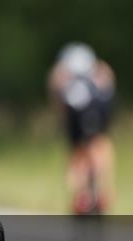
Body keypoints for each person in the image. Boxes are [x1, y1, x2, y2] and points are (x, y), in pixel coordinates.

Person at [47, 43, 116, 214]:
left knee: (76, 152)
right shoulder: (99, 74)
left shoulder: (63, 77)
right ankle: (102, 189)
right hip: (98, 112)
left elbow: (57, 100)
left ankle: (81, 193)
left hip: (75, 115)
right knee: (100, 144)